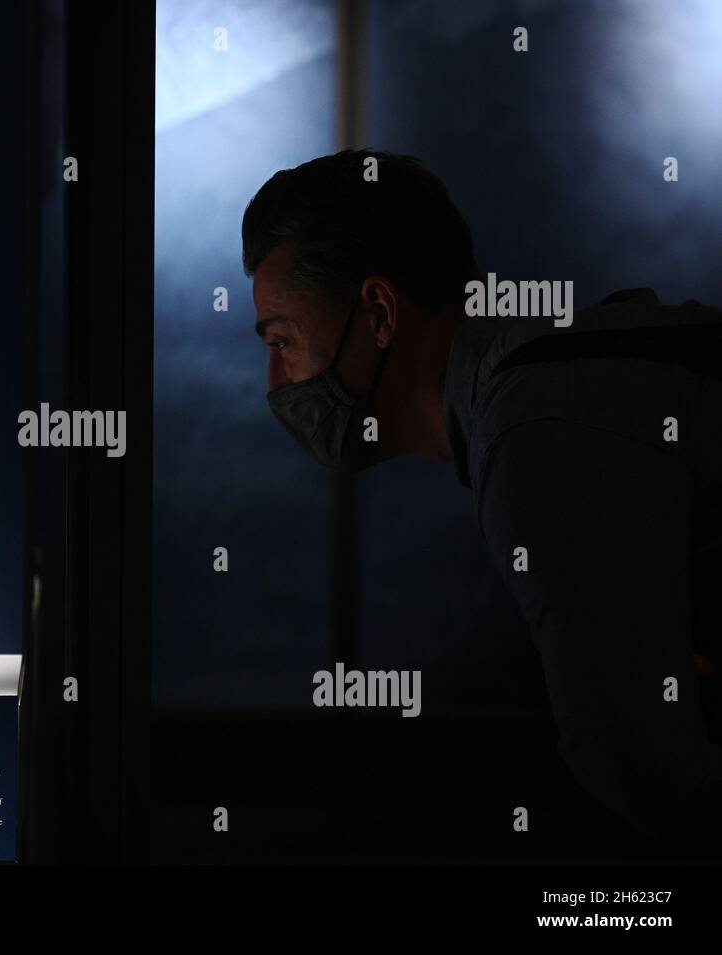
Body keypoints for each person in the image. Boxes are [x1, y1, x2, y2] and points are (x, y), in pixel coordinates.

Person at [243, 149, 722, 847]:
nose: (274, 380)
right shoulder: (543, 382)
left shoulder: (531, 433)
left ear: (379, 312)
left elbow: (646, 772)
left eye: (282, 340)